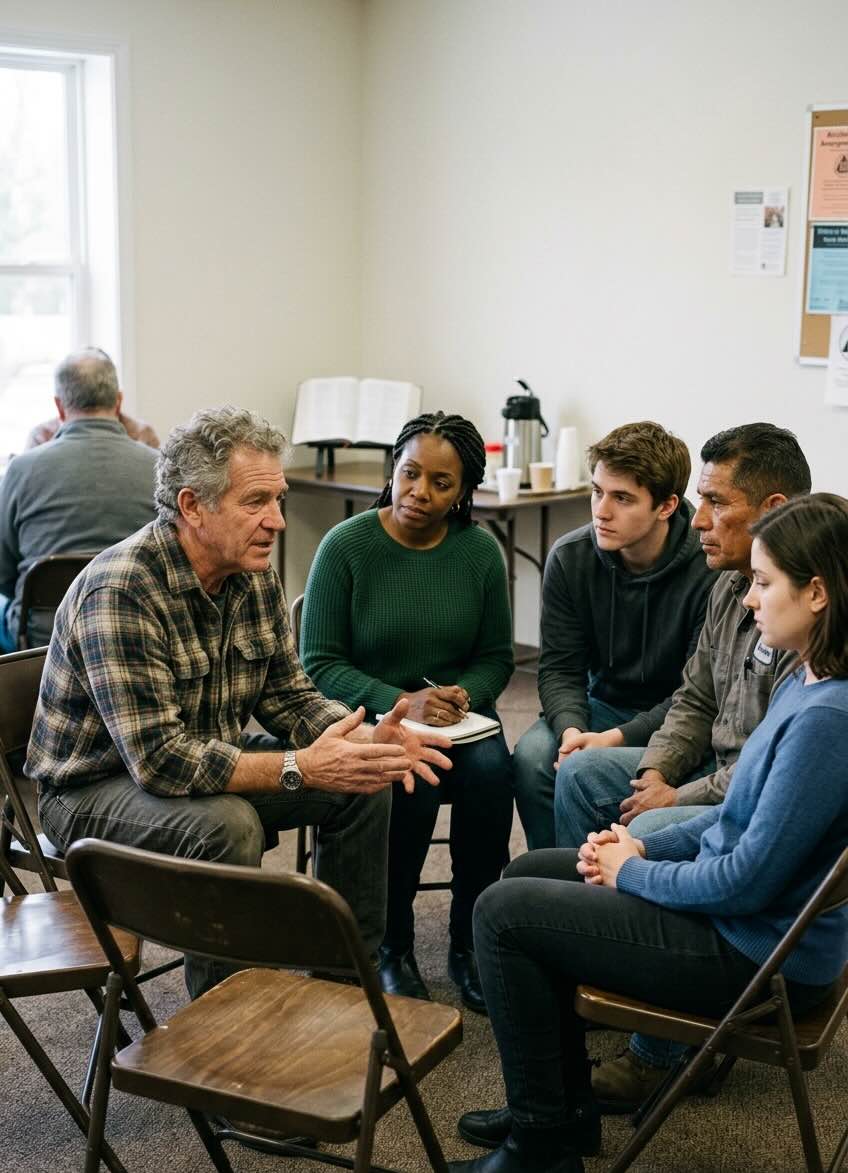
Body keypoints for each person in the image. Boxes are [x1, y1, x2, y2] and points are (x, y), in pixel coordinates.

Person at [450, 492, 848, 1173]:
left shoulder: (826, 720)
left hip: (760, 956)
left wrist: (630, 872)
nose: (749, 600)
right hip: (747, 927)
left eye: (763, 582)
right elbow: (732, 820)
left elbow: (746, 877)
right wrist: (635, 845)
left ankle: (540, 1148)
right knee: (525, 875)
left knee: (501, 912)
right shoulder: (804, 679)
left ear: (816, 592)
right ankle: (559, 1114)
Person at [25, 406, 451, 1000]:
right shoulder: (120, 589)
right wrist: (299, 765)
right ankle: (223, 1038)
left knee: (363, 779)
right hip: (92, 789)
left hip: (204, 756)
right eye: (256, 503)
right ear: (192, 506)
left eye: (278, 500)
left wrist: (359, 737)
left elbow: (289, 696)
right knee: (228, 825)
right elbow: (161, 762)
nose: (277, 521)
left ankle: (344, 988)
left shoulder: (251, 574)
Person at [553, 422, 811, 1109]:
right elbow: (694, 695)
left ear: (774, 507)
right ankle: (605, 962)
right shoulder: (732, 584)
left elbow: (763, 768)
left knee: (648, 825)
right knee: (581, 775)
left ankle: (664, 1051)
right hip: (704, 770)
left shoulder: (797, 613)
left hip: (737, 791)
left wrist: (675, 795)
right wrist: (658, 771)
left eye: (715, 502)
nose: (699, 519)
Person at [300, 411, 514, 1013]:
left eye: (441, 483)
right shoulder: (346, 546)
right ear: (393, 471)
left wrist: (461, 695)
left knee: (496, 776)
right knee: (407, 781)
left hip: (458, 720)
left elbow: (497, 658)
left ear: (463, 492)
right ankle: (392, 945)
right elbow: (318, 663)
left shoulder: (478, 553)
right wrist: (402, 703)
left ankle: (470, 944)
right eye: (409, 473)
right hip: (377, 718)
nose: (420, 492)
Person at [513, 420, 716, 850]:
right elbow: (559, 670)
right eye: (597, 491)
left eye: (622, 498)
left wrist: (616, 740)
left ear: (666, 506)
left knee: (584, 768)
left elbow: (697, 697)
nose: (601, 511)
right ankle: (552, 882)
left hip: (679, 718)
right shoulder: (571, 557)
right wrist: (571, 732)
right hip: (601, 704)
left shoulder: (709, 569)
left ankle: (588, 901)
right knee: (534, 757)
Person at [0, 348, 158, 652]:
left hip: (43, 641)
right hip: (138, 627)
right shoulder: (159, 466)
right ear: (118, 402)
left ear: (59, 407)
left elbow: (4, 574)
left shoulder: (21, 469)